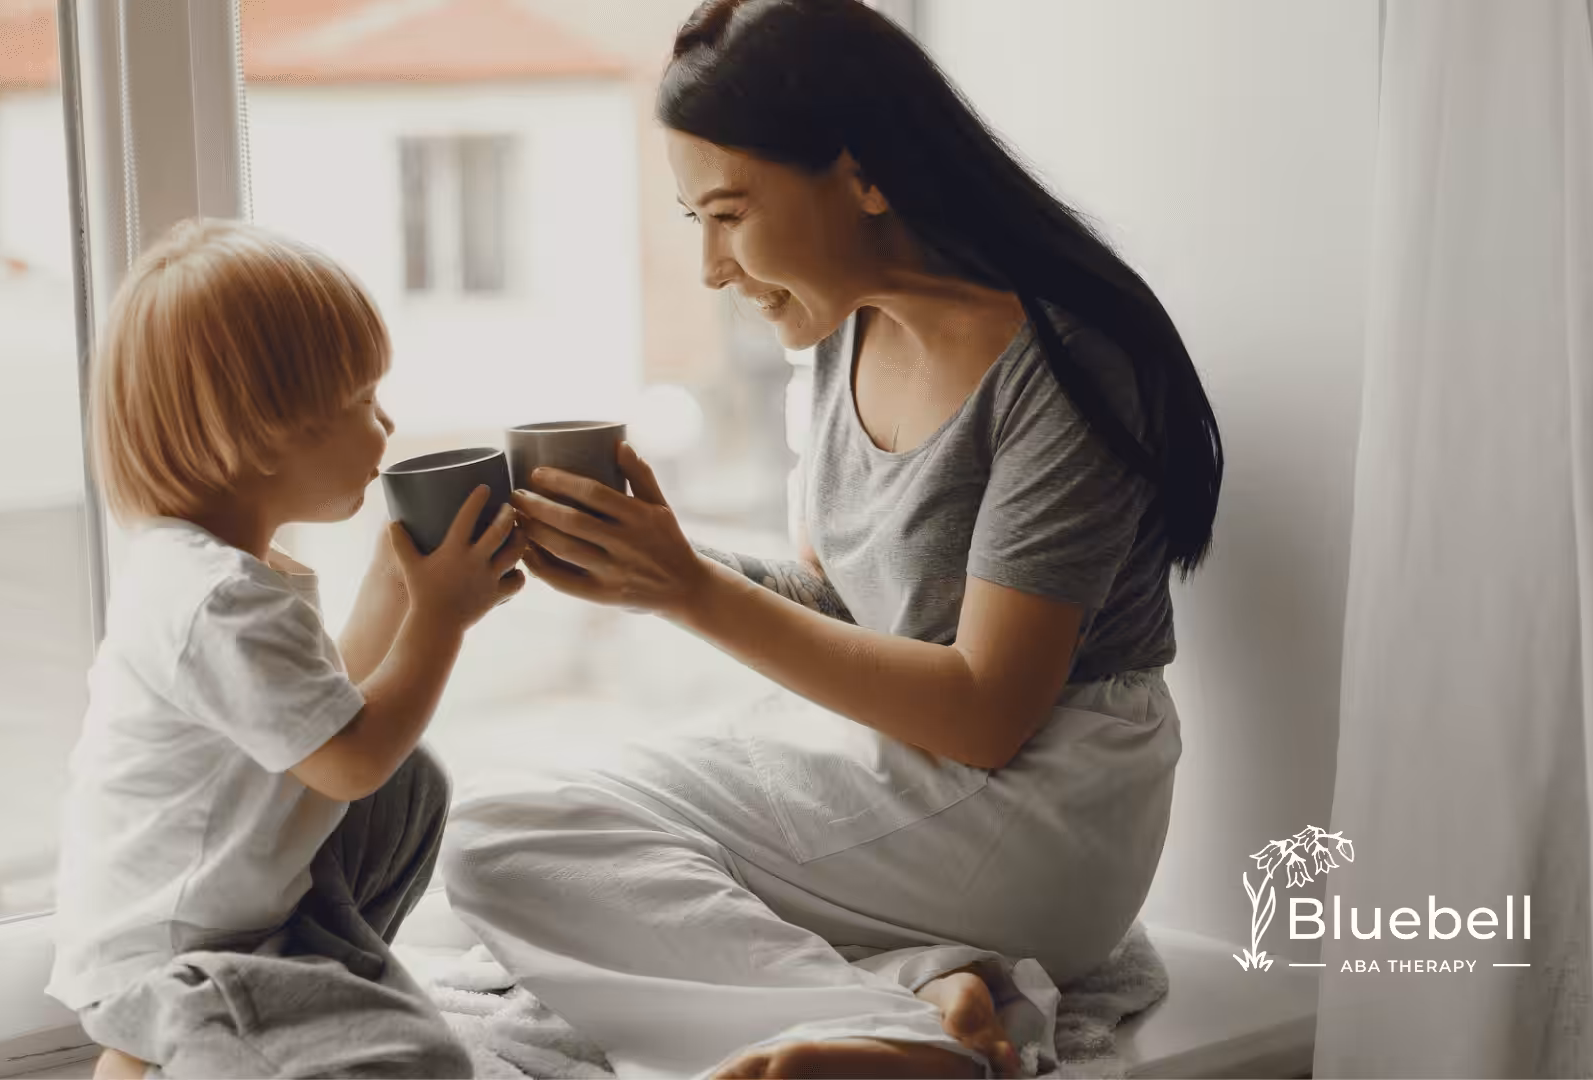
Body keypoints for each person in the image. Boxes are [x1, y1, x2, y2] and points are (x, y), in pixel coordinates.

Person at [441, 0, 1224, 1076]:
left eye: (728, 213)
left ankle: (909, 1044)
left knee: (506, 837)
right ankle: (920, 992)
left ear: (862, 176)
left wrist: (689, 593)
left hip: (1049, 802)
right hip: (908, 778)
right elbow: (844, 616)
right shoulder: (840, 328)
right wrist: (659, 564)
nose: (714, 267)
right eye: (694, 224)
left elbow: (991, 713)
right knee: (523, 837)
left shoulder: (1067, 361)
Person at [45, 218, 526, 1078]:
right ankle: (183, 1040)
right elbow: (347, 763)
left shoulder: (225, 572)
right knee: (419, 1062)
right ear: (260, 432)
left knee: (412, 785)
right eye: (359, 405)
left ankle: (311, 982)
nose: (387, 425)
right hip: (179, 963)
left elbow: (322, 713)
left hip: (242, 919)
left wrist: (397, 590)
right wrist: (439, 621)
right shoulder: (217, 598)